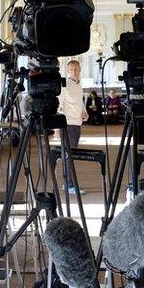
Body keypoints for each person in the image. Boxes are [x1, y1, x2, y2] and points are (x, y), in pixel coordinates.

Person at [58, 60, 88, 194]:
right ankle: (69, 185)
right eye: (71, 69)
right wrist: (57, 128)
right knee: (69, 155)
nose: (74, 72)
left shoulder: (78, 84)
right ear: (68, 71)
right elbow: (59, 105)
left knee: (70, 155)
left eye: (76, 69)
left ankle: (67, 183)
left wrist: (85, 112)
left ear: (80, 69)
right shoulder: (64, 85)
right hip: (67, 124)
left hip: (76, 124)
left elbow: (79, 102)